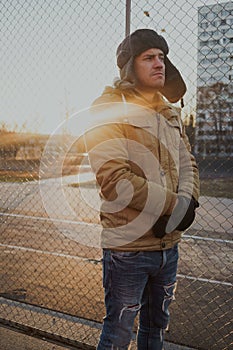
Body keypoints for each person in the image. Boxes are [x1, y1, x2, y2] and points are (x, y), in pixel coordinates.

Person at [84, 29, 200, 350]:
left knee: (157, 327)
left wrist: (189, 202)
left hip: (168, 246)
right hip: (129, 249)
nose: (159, 63)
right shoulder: (108, 108)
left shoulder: (169, 111)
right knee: (119, 332)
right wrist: (174, 206)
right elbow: (113, 179)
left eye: (162, 57)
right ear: (130, 67)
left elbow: (187, 161)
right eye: (149, 57)